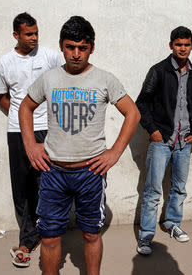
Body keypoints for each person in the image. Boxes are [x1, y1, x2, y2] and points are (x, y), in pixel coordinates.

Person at [19, 16, 140, 275]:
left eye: (82, 48)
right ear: (62, 46)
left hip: (91, 172)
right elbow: (25, 107)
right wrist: (31, 145)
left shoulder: (105, 79)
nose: (76, 54)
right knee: (50, 237)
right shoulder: (49, 78)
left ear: (92, 48)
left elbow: (133, 113)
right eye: (70, 47)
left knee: (91, 235)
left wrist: (115, 152)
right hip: (53, 171)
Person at [0, 12, 64, 268]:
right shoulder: (4, 63)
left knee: (49, 181)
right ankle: (28, 238)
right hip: (17, 131)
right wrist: (23, 119)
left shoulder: (50, 56)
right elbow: (1, 97)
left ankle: (50, 233)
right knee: (22, 186)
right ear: (16, 35)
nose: (34, 38)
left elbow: (66, 80)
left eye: (36, 33)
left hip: (48, 128)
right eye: (28, 34)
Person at [135, 26, 192, 255]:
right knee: (153, 190)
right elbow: (141, 103)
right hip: (162, 139)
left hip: (185, 140)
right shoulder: (158, 71)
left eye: (187, 44)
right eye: (178, 44)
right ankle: (145, 237)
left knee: (179, 188)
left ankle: (172, 223)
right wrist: (153, 130)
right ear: (171, 45)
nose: (183, 48)